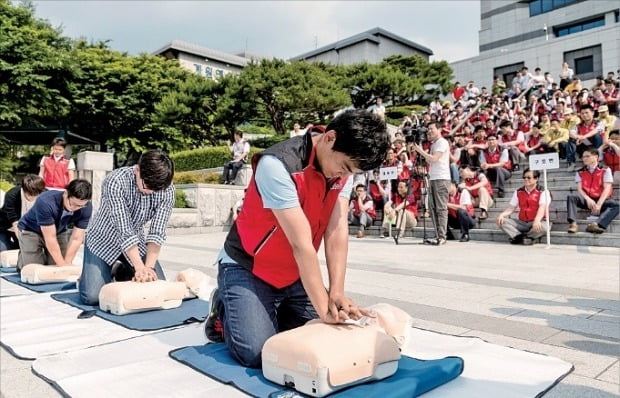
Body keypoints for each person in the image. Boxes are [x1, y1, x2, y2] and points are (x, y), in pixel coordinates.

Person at [205, 109, 390, 368]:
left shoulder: (342, 171)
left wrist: (336, 292)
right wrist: (324, 307)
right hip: (249, 266)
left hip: (293, 274)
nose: (344, 176)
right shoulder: (278, 164)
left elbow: (336, 231)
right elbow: (301, 244)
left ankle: (266, 311)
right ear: (330, 138)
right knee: (258, 352)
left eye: (351, 172)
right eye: (345, 167)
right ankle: (224, 308)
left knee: (326, 336)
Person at [78, 150, 174, 304]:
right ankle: (90, 274)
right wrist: (138, 267)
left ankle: (121, 270)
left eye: (155, 189)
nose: (150, 192)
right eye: (147, 186)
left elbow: (157, 231)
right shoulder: (115, 181)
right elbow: (124, 230)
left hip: (136, 242)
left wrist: (148, 268)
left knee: (156, 287)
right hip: (102, 241)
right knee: (93, 297)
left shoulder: (166, 189)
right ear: (137, 170)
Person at [16, 179, 92, 271]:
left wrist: (66, 263)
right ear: (65, 194)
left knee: (57, 264)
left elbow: (76, 238)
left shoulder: (86, 207)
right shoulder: (46, 202)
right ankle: (23, 259)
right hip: (31, 229)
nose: (75, 208)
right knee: (34, 269)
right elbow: (50, 238)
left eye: (80, 206)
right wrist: (62, 266)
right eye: (73, 204)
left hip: (59, 230)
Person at [412, 122, 451, 244]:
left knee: (441, 208)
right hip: (433, 178)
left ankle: (442, 235)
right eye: (428, 129)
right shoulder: (434, 144)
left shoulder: (442, 142)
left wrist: (420, 150)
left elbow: (434, 158)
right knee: (432, 208)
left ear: (439, 129)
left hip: (442, 178)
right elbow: (430, 161)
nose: (429, 131)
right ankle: (437, 233)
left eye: (431, 129)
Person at [566, 147, 619, 234]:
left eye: (587, 156)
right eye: (583, 157)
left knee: (616, 205)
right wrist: (588, 199)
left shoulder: (605, 170)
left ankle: (596, 224)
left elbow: (607, 188)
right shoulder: (580, 171)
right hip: (588, 200)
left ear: (596, 157)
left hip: (602, 200)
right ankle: (573, 224)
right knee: (571, 197)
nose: (584, 159)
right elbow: (579, 188)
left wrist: (599, 204)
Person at [496, 169, 551, 245]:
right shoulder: (518, 191)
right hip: (523, 222)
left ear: (536, 179)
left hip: (538, 221)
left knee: (545, 227)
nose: (525, 179)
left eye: (529, 177)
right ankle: (522, 237)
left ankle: (523, 237)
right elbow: (511, 207)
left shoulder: (543, 191)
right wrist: (502, 215)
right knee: (501, 221)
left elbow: (542, 207)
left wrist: (537, 220)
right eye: (524, 177)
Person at [0, 175, 46, 252]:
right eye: (29, 194)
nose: (32, 198)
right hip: (6, 227)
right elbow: (15, 223)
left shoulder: (45, 195)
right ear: (23, 189)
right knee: (4, 250)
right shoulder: (12, 195)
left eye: (35, 195)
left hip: (27, 229)